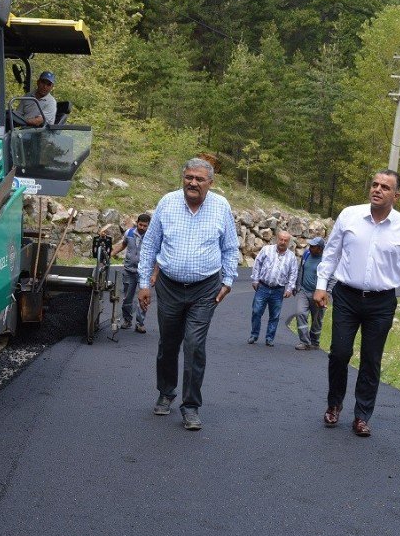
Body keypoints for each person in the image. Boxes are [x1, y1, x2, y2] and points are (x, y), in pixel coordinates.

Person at [314, 169, 400, 438]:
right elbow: (331, 253)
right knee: (339, 353)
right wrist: (320, 286)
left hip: (382, 302)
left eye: (385, 187)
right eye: (374, 184)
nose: (377, 189)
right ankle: (334, 404)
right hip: (347, 296)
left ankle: (362, 415)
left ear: (396, 195)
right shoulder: (349, 215)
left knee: (371, 360)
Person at [137, 158, 238, 431]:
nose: (193, 183)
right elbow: (149, 247)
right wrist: (144, 283)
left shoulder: (220, 207)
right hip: (169, 287)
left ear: (210, 183)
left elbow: (230, 247)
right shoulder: (167, 203)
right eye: (189, 177)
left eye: (199, 179)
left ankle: (191, 405)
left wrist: (228, 281)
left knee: (194, 345)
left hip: (205, 289)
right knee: (168, 343)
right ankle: (166, 391)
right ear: (183, 178)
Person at [248, 231, 298, 347]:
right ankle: (254, 335)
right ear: (277, 239)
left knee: (274, 316)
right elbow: (257, 264)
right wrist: (255, 280)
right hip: (263, 287)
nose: (283, 242)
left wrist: (290, 288)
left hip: (278, 290)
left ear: (288, 242)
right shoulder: (266, 250)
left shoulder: (291, 257)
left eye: (286, 240)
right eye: (281, 239)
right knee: (256, 312)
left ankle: (269, 338)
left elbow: (293, 274)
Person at [111, 213, 151, 334]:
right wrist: (110, 254)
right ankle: (127, 320)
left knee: (143, 299)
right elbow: (123, 245)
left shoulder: (151, 237)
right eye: (140, 225)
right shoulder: (129, 233)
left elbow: (157, 254)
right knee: (127, 297)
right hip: (129, 270)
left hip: (144, 272)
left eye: (145, 226)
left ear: (149, 226)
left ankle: (140, 323)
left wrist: (154, 273)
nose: (142, 227)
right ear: (137, 223)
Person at [294, 236, 326, 351]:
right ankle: (305, 342)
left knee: (317, 319)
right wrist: (296, 286)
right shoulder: (306, 254)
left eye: (313, 246)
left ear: (320, 249)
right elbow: (300, 270)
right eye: (310, 246)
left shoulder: (326, 259)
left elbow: (332, 278)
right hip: (304, 291)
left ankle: (315, 341)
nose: (310, 248)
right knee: (299, 313)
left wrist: (328, 292)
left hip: (318, 294)